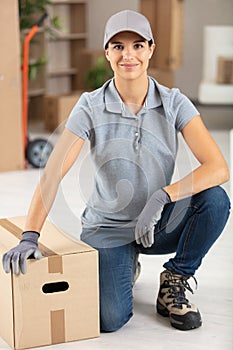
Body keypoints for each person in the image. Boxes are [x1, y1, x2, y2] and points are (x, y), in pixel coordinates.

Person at [2, 10, 231, 332]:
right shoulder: (90, 106)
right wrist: (30, 235)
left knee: (215, 199)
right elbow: (52, 173)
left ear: (151, 49)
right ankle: (125, 264)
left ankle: (176, 277)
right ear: (107, 52)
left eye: (138, 45)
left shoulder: (174, 102)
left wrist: (162, 196)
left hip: (158, 222)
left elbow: (218, 168)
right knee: (110, 320)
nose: (129, 55)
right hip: (107, 228)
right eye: (118, 46)